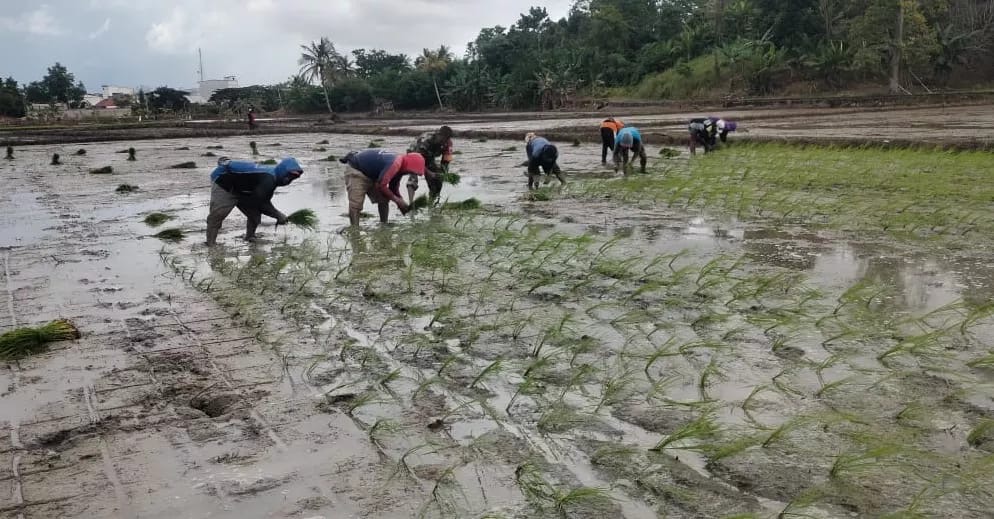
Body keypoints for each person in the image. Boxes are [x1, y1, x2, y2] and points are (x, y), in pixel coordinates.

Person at [206, 157, 303, 246]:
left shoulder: (273, 177)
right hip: (224, 182)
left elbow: (261, 201)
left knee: (255, 215)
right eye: (289, 176)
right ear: (283, 171)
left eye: (293, 178)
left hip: (244, 188)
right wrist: (278, 215)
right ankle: (211, 243)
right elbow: (262, 204)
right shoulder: (269, 179)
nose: (289, 180)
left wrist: (276, 214)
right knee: (218, 215)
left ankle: (250, 237)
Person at [340, 149, 428, 227]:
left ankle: (384, 225)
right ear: (409, 166)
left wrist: (400, 201)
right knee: (356, 203)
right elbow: (381, 186)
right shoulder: (395, 164)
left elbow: (393, 188)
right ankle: (355, 231)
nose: (408, 173)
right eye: (410, 171)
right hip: (357, 170)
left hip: (374, 175)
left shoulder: (401, 166)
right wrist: (397, 201)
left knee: (384, 199)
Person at [406, 125, 453, 204]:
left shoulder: (448, 143)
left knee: (437, 182)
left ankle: (431, 204)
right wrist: (429, 173)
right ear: (439, 135)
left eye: (447, 139)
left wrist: (443, 173)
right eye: (443, 139)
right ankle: (411, 204)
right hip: (414, 156)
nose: (444, 142)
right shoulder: (425, 141)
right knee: (413, 179)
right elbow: (418, 162)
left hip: (429, 157)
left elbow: (446, 160)